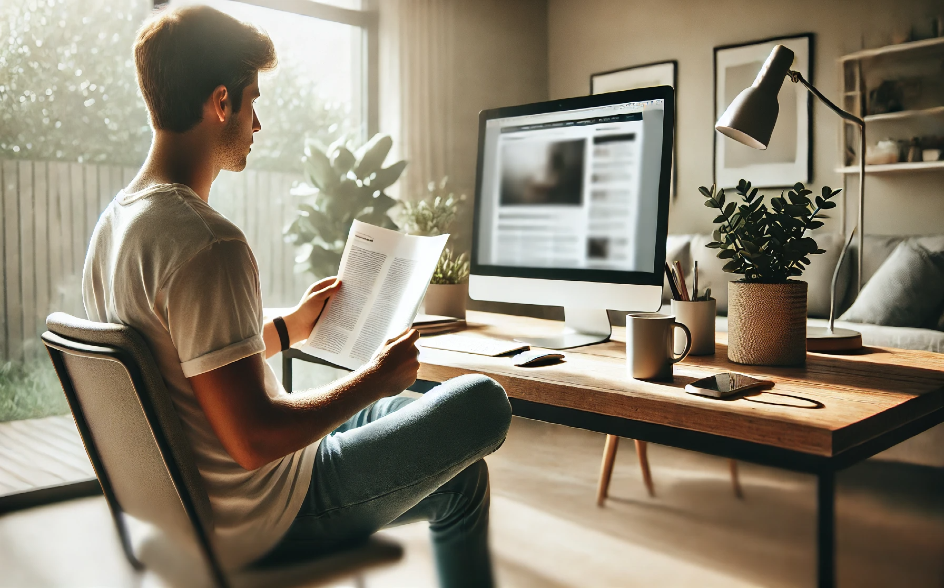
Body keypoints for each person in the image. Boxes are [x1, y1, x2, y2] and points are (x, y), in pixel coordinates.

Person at [82, 6, 511, 587]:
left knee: (455, 468)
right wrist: (376, 378)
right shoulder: (208, 243)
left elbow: (173, 365)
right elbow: (256, 440)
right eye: (254, 101)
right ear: (221, 102)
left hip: (185, 516)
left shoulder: (116, 227)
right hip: (266, 514)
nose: (257, 124)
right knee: (483, 402)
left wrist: (289, 329)